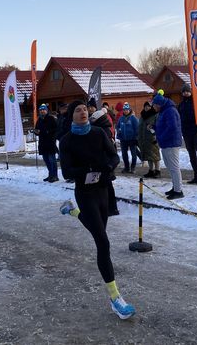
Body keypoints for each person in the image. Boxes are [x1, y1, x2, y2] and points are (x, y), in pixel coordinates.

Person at [59, 100, 135, 320]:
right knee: (102, 241)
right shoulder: (66, 141)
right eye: (77, 110)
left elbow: (114, 156)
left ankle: (72, 212)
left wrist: (109, 167)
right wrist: (89, 169)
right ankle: (115, 298)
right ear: (71, 116)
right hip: (85, 193)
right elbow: (67, 172)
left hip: (104, 191)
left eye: (84, 109)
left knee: (98, 229)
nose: (82, 112)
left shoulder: (99, 133)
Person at [89, 99, 120, 216]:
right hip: (106, 162)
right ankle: (110, 208)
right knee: (107, 186)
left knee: (107, 187)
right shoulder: (104, 130)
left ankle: (111, 208)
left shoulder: (103, 131)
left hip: (105, 162)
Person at [152, 90, 184, 199]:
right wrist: (154, 127)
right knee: (170, 166)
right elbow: (163, 126)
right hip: (166, 143)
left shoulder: (170, 111)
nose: (154, 108)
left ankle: (178, 190)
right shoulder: (163, 111)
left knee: (174, 167)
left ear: (159, 104)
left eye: (155, 106)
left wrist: (160, 137)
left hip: (171, 143)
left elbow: (172, 128)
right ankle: (175, 187)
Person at [177, 84, 197, 184]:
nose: (186, 93)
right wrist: (182, 130)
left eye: (187, 91)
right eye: (184, 92)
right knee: (192, 156)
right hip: (187, 133)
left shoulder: (196, 102)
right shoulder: (181, 105)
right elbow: (179, 118)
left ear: (190, 92)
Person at [34, 104, 59, 182]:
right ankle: (50, 175)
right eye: (41, 110)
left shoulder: (51, 118)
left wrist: (47, 132)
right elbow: (37, 129)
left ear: (46, 111)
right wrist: (36, 132)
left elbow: (56, 129)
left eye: (43, 110)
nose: (42, 111)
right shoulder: (39, 119)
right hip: (42, 143)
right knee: (46, 160)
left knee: (52, 160)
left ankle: (55, 176)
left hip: (50, 142)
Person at [138, 102, 161, 178]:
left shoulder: (155, 115)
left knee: (155, 155)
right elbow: (140, 127)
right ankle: (151, 170)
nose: (147, 108)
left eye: (148, 106)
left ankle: (157, 170)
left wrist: (156, 136)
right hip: (144, 139)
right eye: (146, 106)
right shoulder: (142, 116)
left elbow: (158, 126)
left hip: (153, 138)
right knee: (148, 156)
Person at [116, 102, 139, 173]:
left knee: (133, 154)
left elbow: (137, 128)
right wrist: (119, 132)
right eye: (124, 110)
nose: (125, 111)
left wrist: (136, 137)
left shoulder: (133, 118)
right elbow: (117, 126)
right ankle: (126, 167)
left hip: (132, 139)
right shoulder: (121, 118)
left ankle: (133, 167)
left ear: (129, 110)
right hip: (123, 139)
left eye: (127, 110)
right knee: (124, 154)